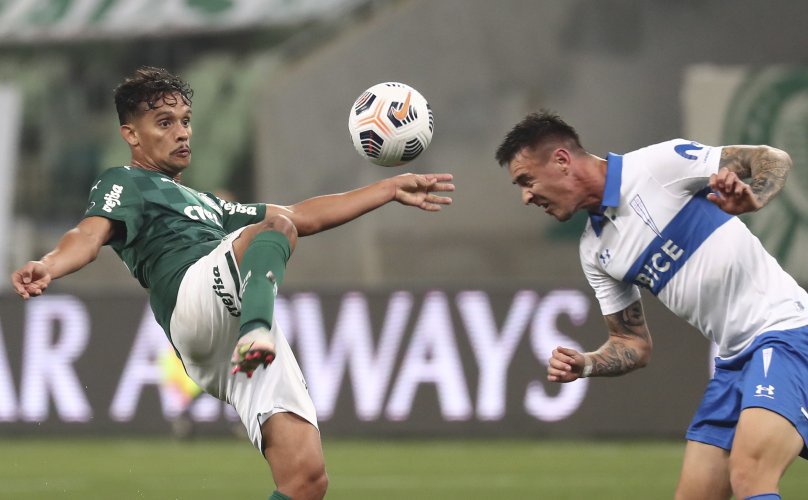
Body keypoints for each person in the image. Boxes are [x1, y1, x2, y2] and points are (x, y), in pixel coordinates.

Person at [10, 66, 454, 500]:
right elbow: (88, 235)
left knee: (305, 480)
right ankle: (257, 330)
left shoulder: (208, 204)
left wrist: (387, 189)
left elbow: (302, 215)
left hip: (222, 337)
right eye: (164, 123)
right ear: (131, 135)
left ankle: (254, 333)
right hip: (194, 298)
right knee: (273, 230)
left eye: (185, 120)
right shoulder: (126, 182)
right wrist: (50, 264)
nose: (182, 133)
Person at [495, 111, 807, 500]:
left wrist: (755, 193)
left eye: (527, 181)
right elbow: (632, 344)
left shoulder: (659, 165)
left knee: (750, 476)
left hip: (787, 333)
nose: (526, 197)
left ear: (561, 160)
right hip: (733, 362)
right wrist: (586, 364)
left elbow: (772, 158)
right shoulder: (594, 251)